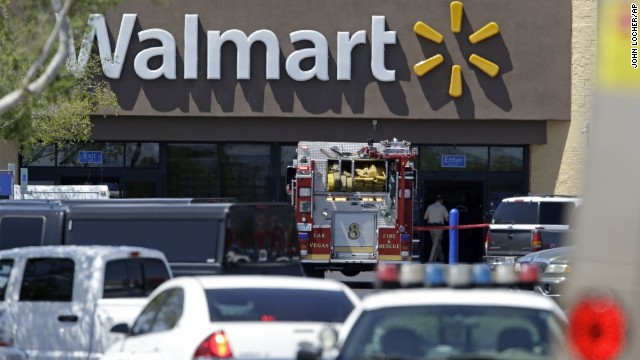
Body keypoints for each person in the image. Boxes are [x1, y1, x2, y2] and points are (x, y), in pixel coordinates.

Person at [424, 194, 449, 262]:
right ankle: (431, 260)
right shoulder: (443, 207)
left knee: (437, 243)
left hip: (430, 228)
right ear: (442, 200)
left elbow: (425, 217)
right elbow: (447, 219)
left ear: (435, 200)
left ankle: (442, 258)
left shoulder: (429, 207)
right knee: (436, 243)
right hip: (439, 227)